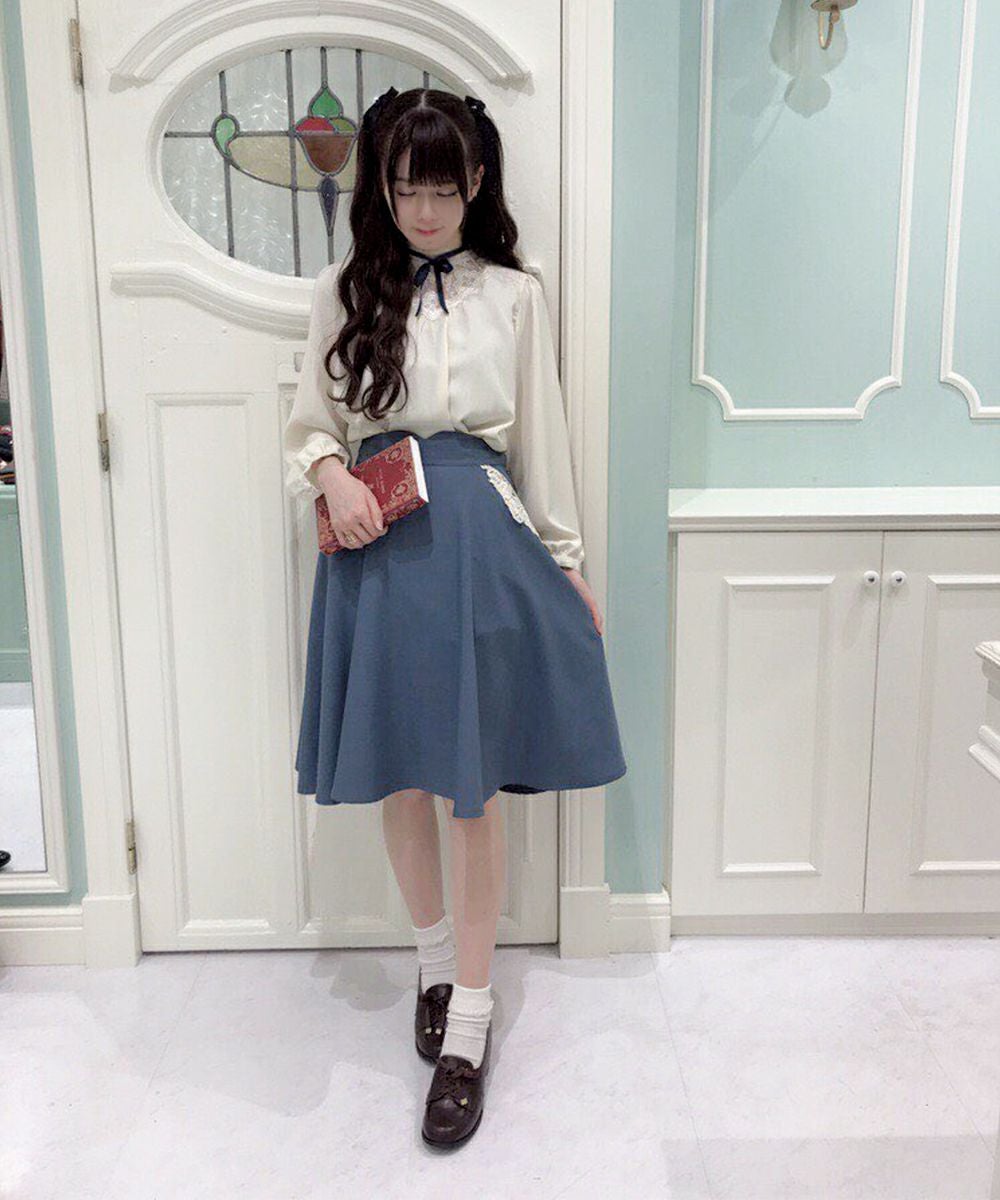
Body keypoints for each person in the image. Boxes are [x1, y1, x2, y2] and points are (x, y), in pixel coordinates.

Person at [282, 86, 627, 1149]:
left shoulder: (515, 296)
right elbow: (309, 422)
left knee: (471, 790)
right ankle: (433, 965)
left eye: (443, 188)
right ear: (381, 191)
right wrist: (331, 474)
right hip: (379, 544)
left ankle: (468, 1028)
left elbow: (544, 439)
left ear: (476, 183)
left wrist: (564, 561)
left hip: (479, 541)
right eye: (405, 190)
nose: (425, 211)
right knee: (401, 769)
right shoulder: (345, 291)